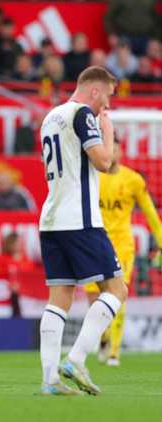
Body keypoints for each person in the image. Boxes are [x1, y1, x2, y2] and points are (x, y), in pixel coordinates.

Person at [38, 66, 127, 396]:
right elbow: (105, 163)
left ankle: (49, 380)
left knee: (59, 297)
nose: (107, 104)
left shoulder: (51, 116)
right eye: (107, 96)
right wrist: (108, 130)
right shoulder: (82, 115)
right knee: (117, 290)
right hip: (81, 220)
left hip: (51, 218)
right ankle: (76, 359)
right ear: (93, 91)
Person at [83, 138, 162, 366]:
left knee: (119, 294)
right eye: (108, 148)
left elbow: (149, 212)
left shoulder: (133, 180)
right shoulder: (92, 177)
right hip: (95, 243)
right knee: (93, 298)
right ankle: (104, 337)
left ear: (120, 151)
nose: (112, 152)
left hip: (121, 245)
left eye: (115, 148)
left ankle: (115, 352)